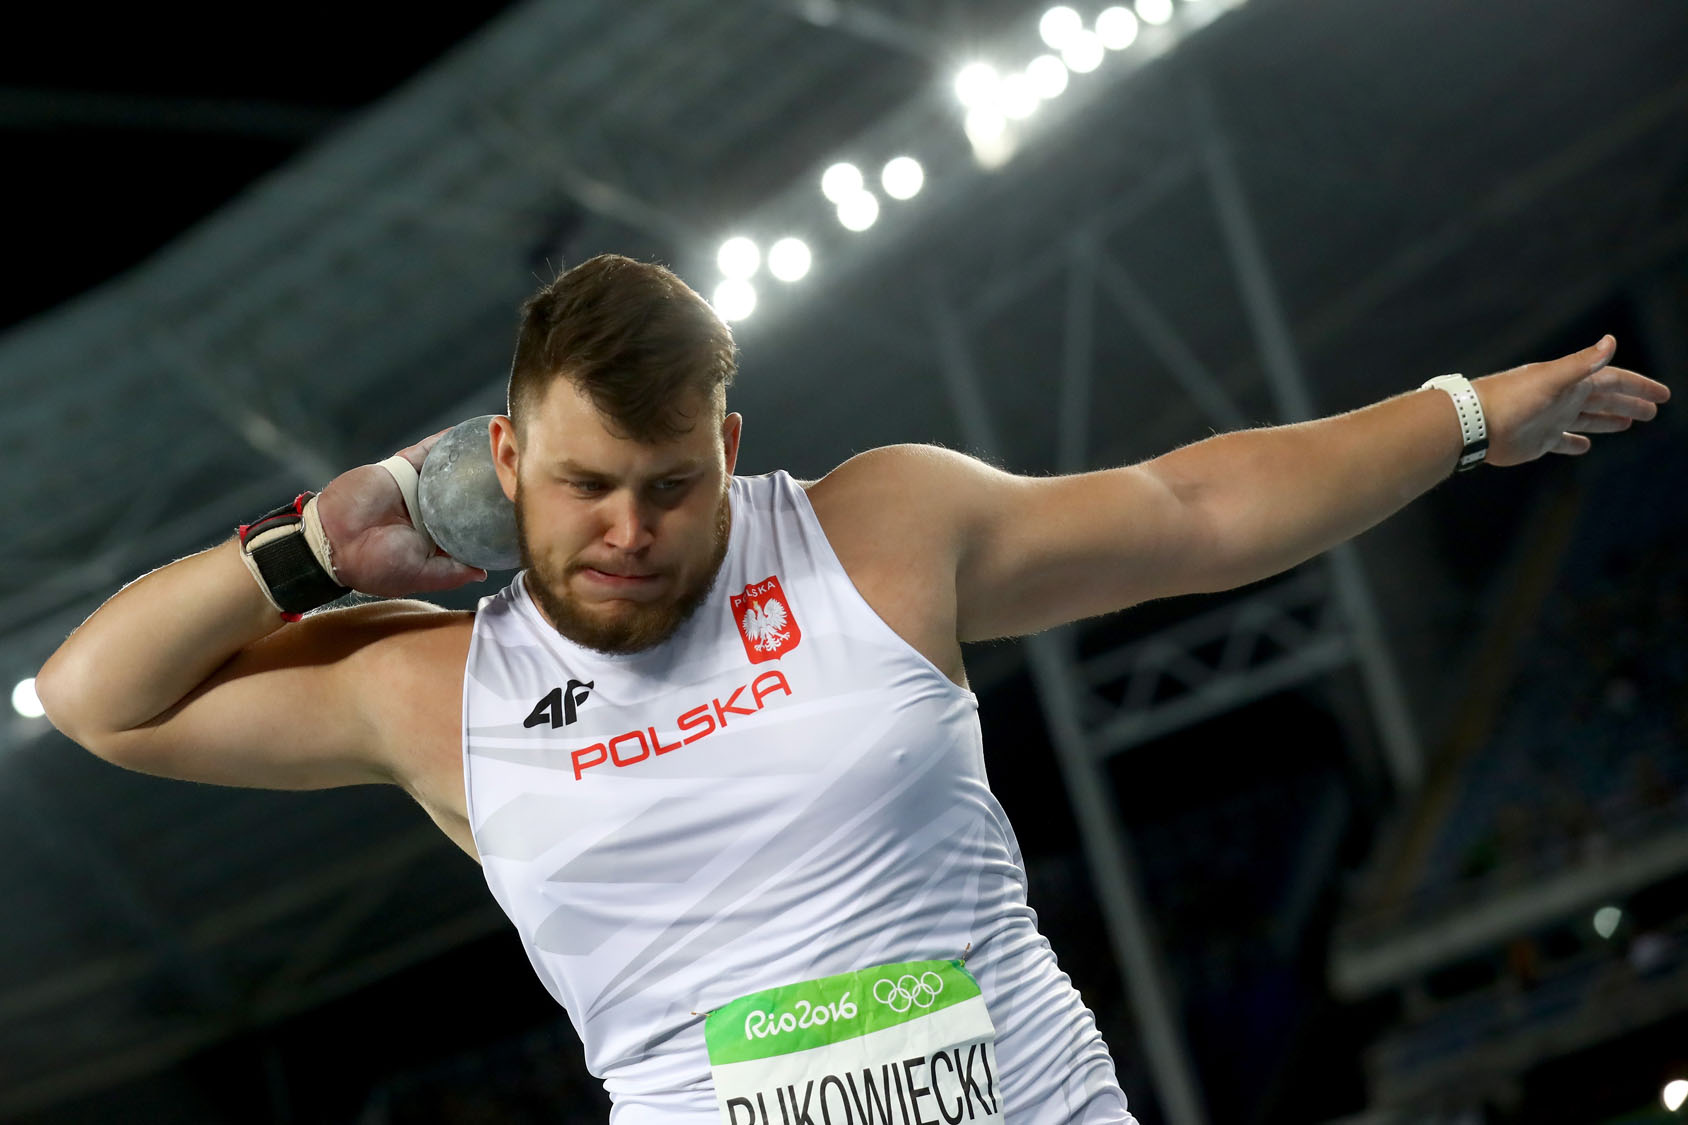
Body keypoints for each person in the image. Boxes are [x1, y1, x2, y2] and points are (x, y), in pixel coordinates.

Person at [34, 254, 1670, 1123]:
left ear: (729, 450)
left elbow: (1195, 508)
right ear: (503, 465)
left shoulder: (870, 530)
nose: (628, 531)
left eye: (671, 484)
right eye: (586, 485)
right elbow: (101, 695)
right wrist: (314, 549)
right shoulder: (432, 690)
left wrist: (1465, 410)